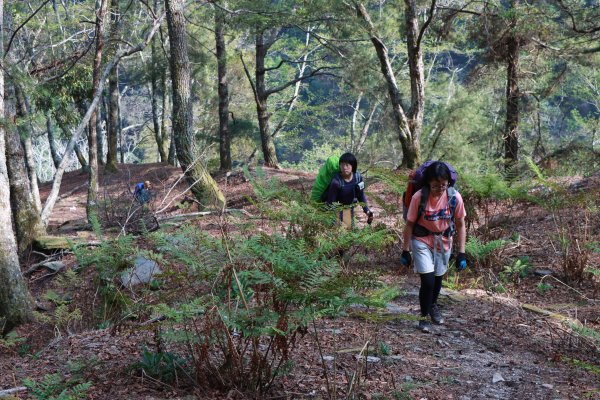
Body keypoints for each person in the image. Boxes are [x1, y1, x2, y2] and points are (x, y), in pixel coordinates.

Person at [400, 161, 467, 333]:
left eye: (443, 185)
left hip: (444, 241)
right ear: (429, 182)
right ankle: (423, 317)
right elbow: (409, 224)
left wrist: (461, 253)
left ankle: (433, 305)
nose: (439, 189)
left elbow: (460, 224)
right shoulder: (419, 197)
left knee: (438, 278)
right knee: (428, 281)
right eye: (435, 185)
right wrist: (405, 250)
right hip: (421, 240)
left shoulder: (454, 197)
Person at [325, 152, 374, 228]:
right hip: (336, 210)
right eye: (342, 164)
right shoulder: (336, 182)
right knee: (339, 233)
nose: (344, 167)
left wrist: (367, 210)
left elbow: (361, 195)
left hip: (348, 209)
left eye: (347, 165)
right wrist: (333, 220)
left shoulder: (358, 177)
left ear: (353, 166)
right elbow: (331, 203)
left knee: (349, 232)